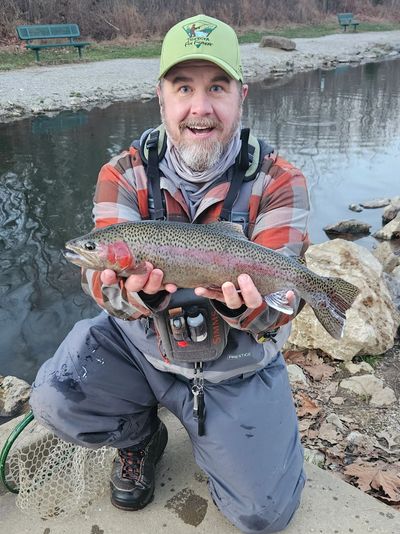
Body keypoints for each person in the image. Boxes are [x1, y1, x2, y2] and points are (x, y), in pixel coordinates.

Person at [30, 13, 310, 534]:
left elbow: (280, 306)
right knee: (54, 397)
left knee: (262, 515)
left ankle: (227, 434)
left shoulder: (281, 180)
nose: (199, 107)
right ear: (161, 95)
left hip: (235, 366)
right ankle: (140, 435)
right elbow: (101, 286)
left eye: (217, 87)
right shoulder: (122, 172)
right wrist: (135, 297)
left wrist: (243, 305)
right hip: (143, 351)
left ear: (241, 95)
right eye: (184, 87)